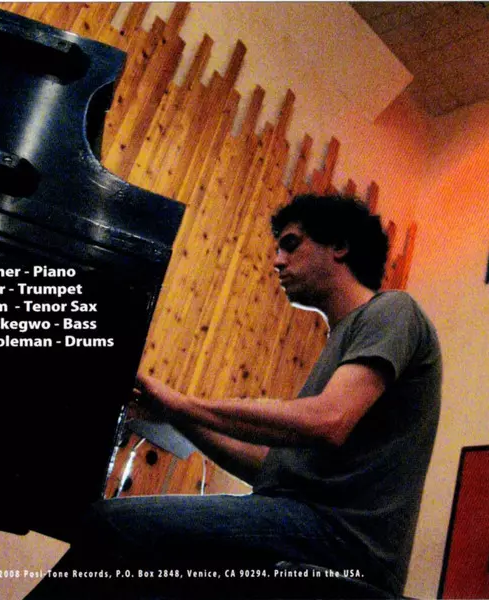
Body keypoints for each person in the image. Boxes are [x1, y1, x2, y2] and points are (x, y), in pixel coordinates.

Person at [28, 194, 441, 599]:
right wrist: (176, 416)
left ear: (339, 246)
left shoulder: (393, 310)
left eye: (291, 244)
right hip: (304, 524)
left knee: (111, 525)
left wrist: (182, 403)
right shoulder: (340, 342)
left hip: (343, 542)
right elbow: (271, 471)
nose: (277, 261)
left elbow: (328, 420)